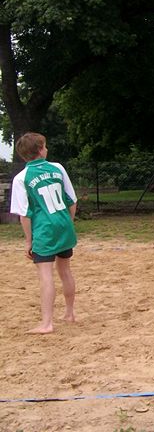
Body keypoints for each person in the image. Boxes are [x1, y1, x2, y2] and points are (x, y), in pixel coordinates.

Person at [9, 132, 78, 334]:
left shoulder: (21, 178)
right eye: (45, 146)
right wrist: (68, 223)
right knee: (65, 271)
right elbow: (71, 201)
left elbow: (24, 214)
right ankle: (70, 313)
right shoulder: (57, 168)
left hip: (44, 231)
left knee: (45, 276)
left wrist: (28, 241)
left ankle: (47, 323)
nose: (47, 149)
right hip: (63, 225)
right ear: (39, 149)